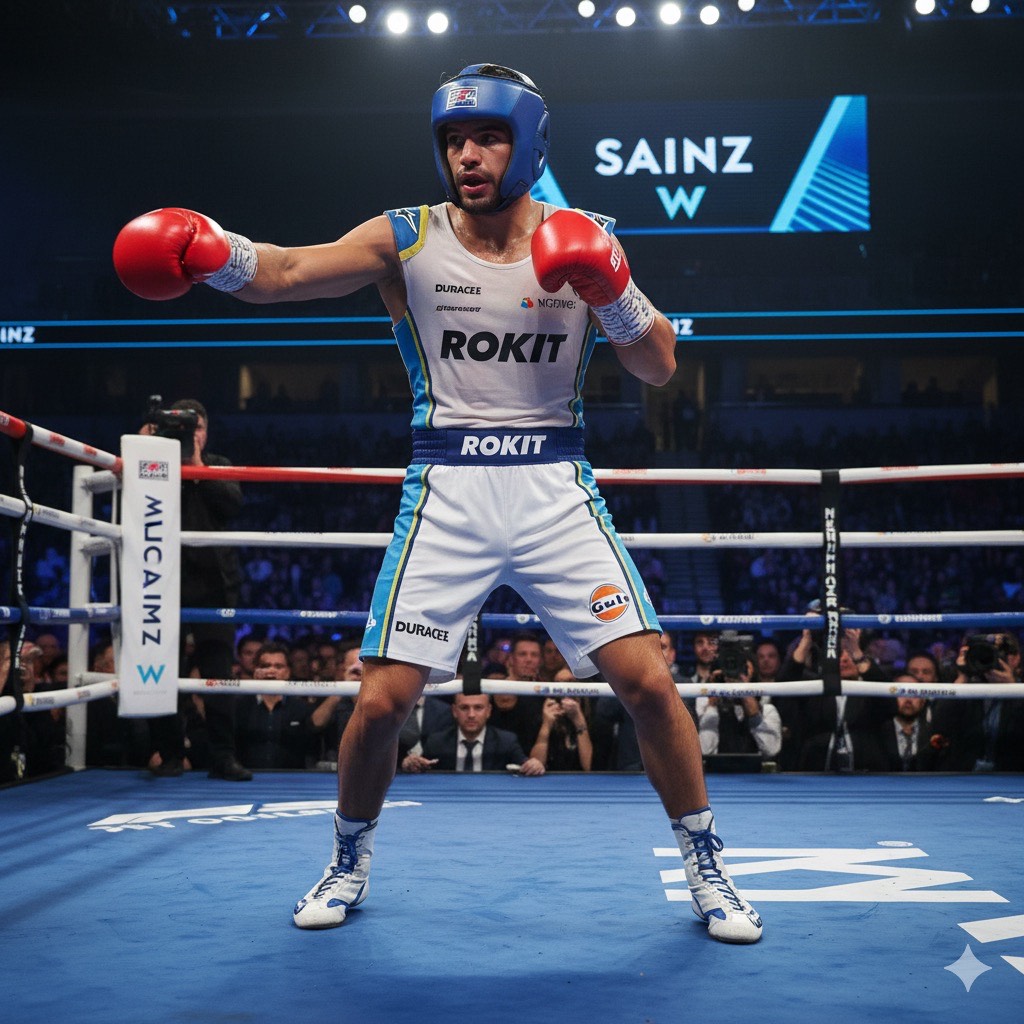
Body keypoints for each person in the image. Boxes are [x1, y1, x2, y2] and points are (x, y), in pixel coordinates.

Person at [113, 62, 762, 943]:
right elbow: (289, 271)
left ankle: (706, 863)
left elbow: (659, 365)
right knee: (381, 702)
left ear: (529, 145)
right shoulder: (406, 238)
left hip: (554, 485)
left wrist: (611, 289)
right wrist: (210, 252)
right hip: (446, 487)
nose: (467, 156)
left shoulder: (587, 236)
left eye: (488, 137)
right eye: (453, 140)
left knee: (649, 683)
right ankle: (347, 858)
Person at [141, 399, 253, 781]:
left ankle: (223, 757)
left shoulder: (218, 464)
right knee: (163, 669)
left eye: (197, 427)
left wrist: (197, 464)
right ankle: (170, 753)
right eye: (185, 429)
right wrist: (145, 447)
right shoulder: (153, 464)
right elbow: (132, 497)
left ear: (205, 432)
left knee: (218, 673)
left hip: (214, 583)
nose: (192, 434)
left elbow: (232, 504)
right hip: (161, 580)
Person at [415, 693, 545, 774]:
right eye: (464, 708)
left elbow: (525, 765)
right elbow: (421, 767)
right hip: (448, 800)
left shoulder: (506, 741)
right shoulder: (437, 742)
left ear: (488, 711)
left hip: (493, 801)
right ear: (454, 711)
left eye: (478, 708)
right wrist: (412, 764)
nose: (471, 715)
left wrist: (534, 765)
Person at [529, 696, 592, 771]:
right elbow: (535, 767)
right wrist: (546, 725)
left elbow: (588, 767)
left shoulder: (591, 720)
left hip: (580, 777)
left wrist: (579, 722)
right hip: (549, 776)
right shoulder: (540, 718)